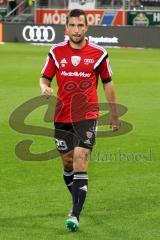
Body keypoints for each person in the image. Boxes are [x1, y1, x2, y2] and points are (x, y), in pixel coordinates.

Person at [40, 9, 120, 232]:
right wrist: (44, 87)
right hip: (61, 116)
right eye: (72, 26)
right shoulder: (56, 52)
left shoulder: (99, 53)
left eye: (80, 26)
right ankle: (77, 199)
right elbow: (45, 77)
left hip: (87, 115)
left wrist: (114, 115)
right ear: (66, 28)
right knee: (67, 163)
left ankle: (74, 214)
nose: (76, 30)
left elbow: (108, 83)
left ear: (87, 27)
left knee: (80, 160)